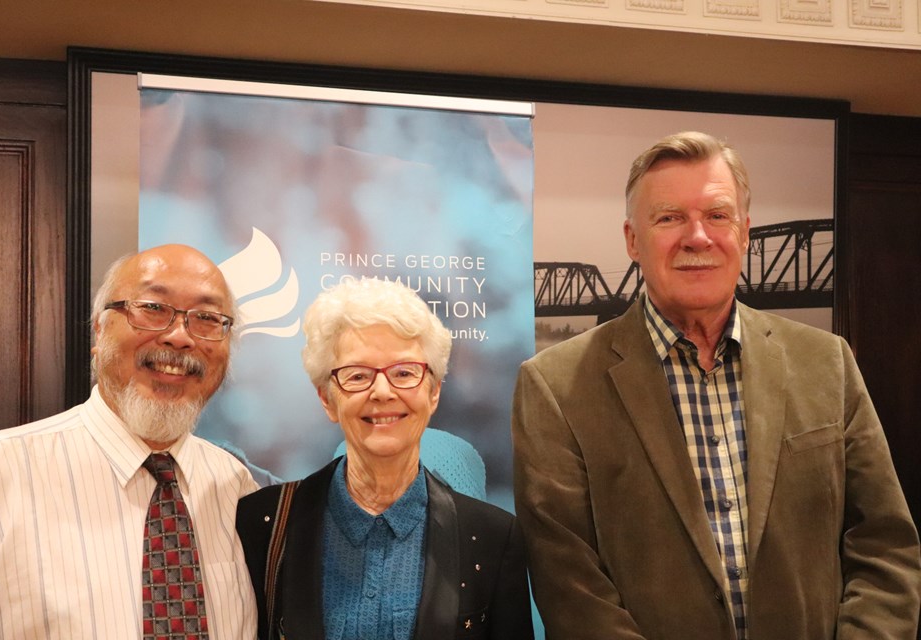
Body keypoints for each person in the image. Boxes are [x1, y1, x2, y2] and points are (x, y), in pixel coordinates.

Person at [512, 131, 921, 639]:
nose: (698, 237)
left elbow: (884, 544)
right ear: (632, 240)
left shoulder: (827, 363)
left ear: (746, 232)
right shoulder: (555, 387)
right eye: (669, 218)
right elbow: (571, 589)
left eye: (717, 215)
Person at [0, 244, 259, 638]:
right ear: (99, 331)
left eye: (206, 318)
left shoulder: (237, 489)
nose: (179, 337)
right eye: (153, 308)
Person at [237, 277, 533, 640]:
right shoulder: (261, 524)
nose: (382, 391)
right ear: (327, 399)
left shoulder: (493, 538)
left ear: (434, 391)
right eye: (358, 375)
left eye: (404, 373)